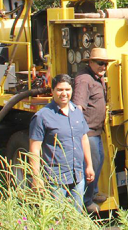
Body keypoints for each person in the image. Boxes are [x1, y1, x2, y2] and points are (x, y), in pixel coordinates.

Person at [29, 74, 94, 211]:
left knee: (76, 217)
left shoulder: (77, 111)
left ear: (72, 90)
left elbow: (83, 138)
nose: (64, 93)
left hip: (78, 177)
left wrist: (89, 165)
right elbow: (34, 149)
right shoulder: (42, 116)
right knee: (57, 220)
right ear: (52, 91)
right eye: (59, 90)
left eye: (67, 89)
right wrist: (36, 177)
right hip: (55, 180)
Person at [73, 47, 109, 214]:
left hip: (96, 131)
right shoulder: (84, 80)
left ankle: (92, 193)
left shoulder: (97, 77)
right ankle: (85, 202)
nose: (104, 67)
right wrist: (80, 133)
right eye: (101, 63)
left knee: (98, 161)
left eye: (106, 64)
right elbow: (78, 106)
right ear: (91, 62)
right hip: (88, 133)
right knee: (90, 166)